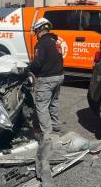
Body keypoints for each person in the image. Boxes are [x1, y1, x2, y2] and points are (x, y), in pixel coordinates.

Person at [27, 18, 64, 187]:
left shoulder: (41, 44)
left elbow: (38, 62)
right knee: (53, 103)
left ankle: (48, 137)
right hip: (59, 76)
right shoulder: (54, 40)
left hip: (47, 78)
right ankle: (56, 126)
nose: (36, 34)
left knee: (41, 106)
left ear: (39, 29)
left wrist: (29, 68)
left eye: (36, 31)